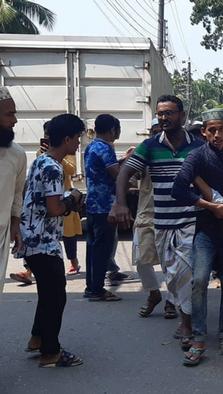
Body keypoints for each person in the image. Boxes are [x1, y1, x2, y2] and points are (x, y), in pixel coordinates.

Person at [110, 95, 204, 349]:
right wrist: (119, 203)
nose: (164, 117)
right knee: (171, 276)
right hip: (161, 223)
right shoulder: (149, 146)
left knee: (185, 273)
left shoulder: (198, 146)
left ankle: (187, 324)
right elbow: (125, 173)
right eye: (160, 113)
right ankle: (183, 312)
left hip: (189, 221)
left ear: (182, 116)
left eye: (169, 113)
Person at [172, 108, 223, 366]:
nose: (216, 134)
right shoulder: (196, 157)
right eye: (211, 130)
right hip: (206, 230)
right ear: (204, 132)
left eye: (220, 129)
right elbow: (178, 189)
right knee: (199, 281)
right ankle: (199, 337)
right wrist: (208, 205)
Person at [16, 113, 84, 367]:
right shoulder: (53, 167)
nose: (78, 144)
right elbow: (55, 208)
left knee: (48, 294)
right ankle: (50, 352)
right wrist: (73, 197)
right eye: (77, 138)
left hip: (33, 237)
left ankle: (37, 338)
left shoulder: (41, 161)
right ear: (66, 138)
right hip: (43, 241)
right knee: (56, 296)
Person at [133, 118, 176, 319]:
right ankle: (153, 293)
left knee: (172, 263)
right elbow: (127, 177)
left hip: (172, 213)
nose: (158, 133)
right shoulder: (145, 152)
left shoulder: (178, 152)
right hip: (146, 212)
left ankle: (172, 300)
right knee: (142, 259)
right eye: (155, 130)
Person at [83, 114, 124, 301]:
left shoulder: (91, 146)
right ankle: (97, 290)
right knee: (103, 250)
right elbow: (116, 173)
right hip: (105, 206)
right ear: (113, 130)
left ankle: (91, 286)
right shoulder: (106, 148)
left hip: (92, 204)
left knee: (93, 249)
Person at [0, 86, 26, 299]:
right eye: (9, 114)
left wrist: (15, 224)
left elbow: (18, 194)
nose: (15, 120)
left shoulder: (17, 154)